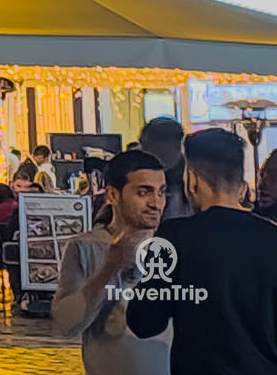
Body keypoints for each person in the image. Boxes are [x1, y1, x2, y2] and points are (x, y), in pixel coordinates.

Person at [128, 127, 277, 372]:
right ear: (240, 181)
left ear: (192, 179)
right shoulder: (272, 237)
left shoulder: (173, 236)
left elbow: (144, 322)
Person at [53, 148, 170, 375]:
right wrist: (109, 268)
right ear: (113, 195)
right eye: (144, 193)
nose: (156, 203)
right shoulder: (85, 247)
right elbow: (66, 323)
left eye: (161, 192)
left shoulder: (172, 246)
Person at [137, 118, 193, 222]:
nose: (153, 161)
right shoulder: (134, 174)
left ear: (177, 148)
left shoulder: (192, 179)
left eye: (159, 152)